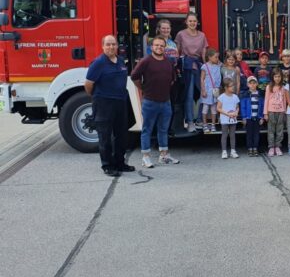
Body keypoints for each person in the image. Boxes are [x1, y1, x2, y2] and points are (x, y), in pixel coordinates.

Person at [85, 35, 134, 177]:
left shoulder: (120, 60)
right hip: (104, 104)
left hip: (120, 102)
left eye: (113, 44)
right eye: (108, 44)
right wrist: (98, 96)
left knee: (121, 135)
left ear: (117, 46)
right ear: (103, 46)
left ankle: (120, 163)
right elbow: (88, 85)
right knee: (105, 136)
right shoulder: (98, 63)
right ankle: (108, 165)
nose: (111, 47)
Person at [131, 36, 179, 168]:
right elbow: (134, 76)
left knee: (163, 130)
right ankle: (145, 157)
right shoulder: (145, 61)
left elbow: (173, 79)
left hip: (165, 102)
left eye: (162, 46)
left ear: (165, 48)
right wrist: (143, 88)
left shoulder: (169, 61)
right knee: (147, 129)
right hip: (150, 102)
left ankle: (164, 155)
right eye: (157, 45)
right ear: (152, 47)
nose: (159, 47)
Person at [175, 13, 208, 132]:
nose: (192, 23)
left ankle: (199, 119)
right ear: (186, 22)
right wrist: (176, 66)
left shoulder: (202, 35)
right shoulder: (181, 34)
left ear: (197, 22)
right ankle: (189, 122)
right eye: (190, 21)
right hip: (187, 66)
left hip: (199, 66)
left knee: (203, 94)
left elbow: (204, 53)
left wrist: (207, 67)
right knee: (188, 95)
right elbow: (177, 51)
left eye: (194, 21)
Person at [264, 67, 286, 156]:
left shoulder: (283, 87)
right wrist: (265, 113)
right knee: (271, 130)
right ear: (272, 77)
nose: (277, 78)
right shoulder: (269, 87)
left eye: (279, 76)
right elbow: (266, 100)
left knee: (280, 130)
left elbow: (284, 100)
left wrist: (284, 110)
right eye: (276, 76)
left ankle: (277, 146)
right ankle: (271, 147)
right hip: (271, 111)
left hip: (280, 111)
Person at [240, 76, 264, 157]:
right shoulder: (245, 95)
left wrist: (261, 117)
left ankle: (255, 148)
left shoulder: (260, 94)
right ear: (248, 85)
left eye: (254, 83)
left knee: (256, 134)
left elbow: (262, 106)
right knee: (249, 134)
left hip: (257, 117)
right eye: (251, 83)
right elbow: (243, 107)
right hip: (248, 118)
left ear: (257, 84)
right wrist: (244, 117)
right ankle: (250, 148)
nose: (253, 85)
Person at [200, 48, 221, 133]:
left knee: (214, 108)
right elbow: (202, 79)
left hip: (215, 90)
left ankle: (213, 124)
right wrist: (203, 90)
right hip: (207, 89)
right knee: (205, 107)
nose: (217, 59)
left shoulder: (218, 65)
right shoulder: (205, 66)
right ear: (209, 57)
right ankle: (205, 124)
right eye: (216, 57)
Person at [217, 79, 240, 159]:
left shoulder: (235, 97)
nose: (233, 87)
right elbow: (218, 108)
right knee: (224, 135)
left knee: (232, 135)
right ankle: (224, 151)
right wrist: (227, 114)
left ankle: (233, 151)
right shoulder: (221, 97)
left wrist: (236, 112)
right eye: (231, 86)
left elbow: (237, 107)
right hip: (224, 119)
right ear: (226, 87)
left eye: (233, 86)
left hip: (233, 119)